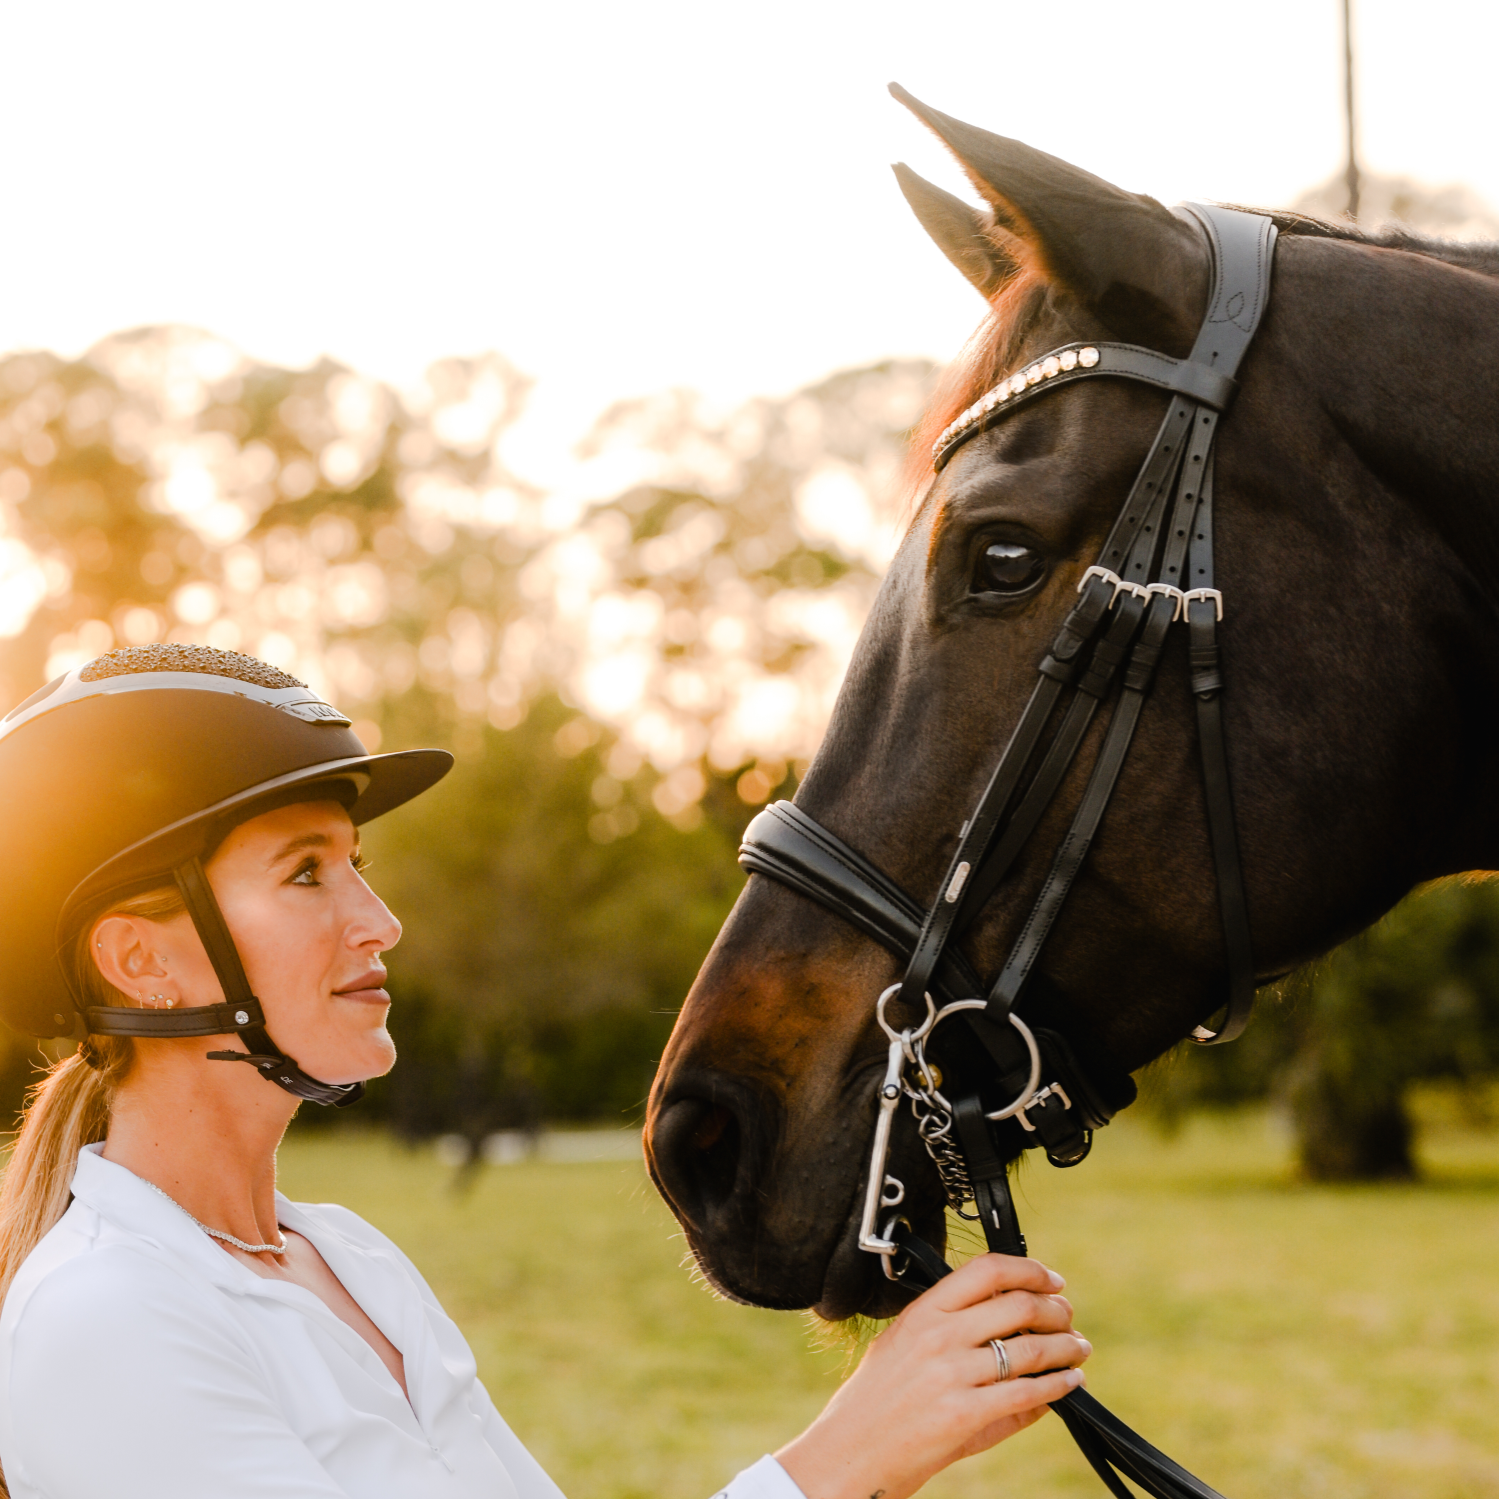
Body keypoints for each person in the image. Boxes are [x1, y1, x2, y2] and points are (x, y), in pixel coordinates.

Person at [0, 644, 1089, 1499]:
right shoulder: (107, 1319)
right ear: (138, 958)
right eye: (303, 872)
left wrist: (897, 1436)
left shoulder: (350, 1261)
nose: (379, 920)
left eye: (355, 865)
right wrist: (848, 1451)